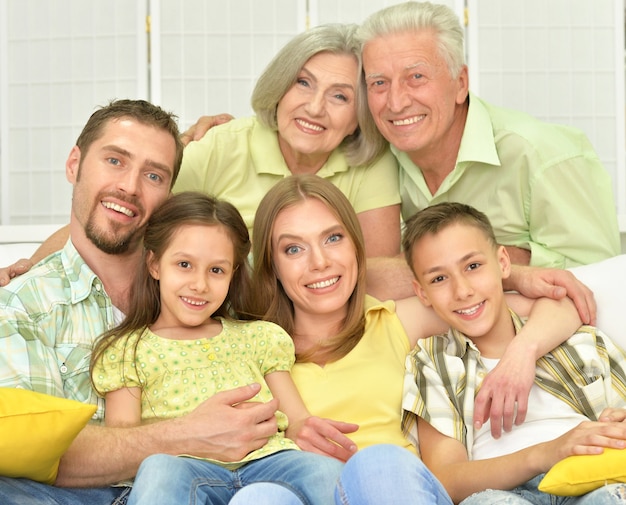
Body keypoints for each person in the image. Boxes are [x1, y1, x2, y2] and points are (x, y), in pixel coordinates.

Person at [226, 174, 584, 503]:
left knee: (377, 462)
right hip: (310, 491)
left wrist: (523, 349)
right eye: (293, 249)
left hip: (392, 488)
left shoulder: (393, 320)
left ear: (355, 246)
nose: (319, 262)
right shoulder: (246, 344)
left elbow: (563, 302)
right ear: (272, 265)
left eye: (333, 238)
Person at [0, 100, 281, 505]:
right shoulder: (21, 305)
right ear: (73, 164)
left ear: (169, 195)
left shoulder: (211, 287)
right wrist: (187, 433)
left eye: (153, 174)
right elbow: (34, 455)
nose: (130, 187)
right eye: (115, 160)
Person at [0, 22, 400, 277]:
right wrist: (32, 268)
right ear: (279, 87)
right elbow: (127, 213)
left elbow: (378, 273)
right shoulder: (222, 145)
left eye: (340, 96)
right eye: (303, 83)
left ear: (359, 116)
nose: (314, 108)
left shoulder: (371, 163)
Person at [90, 191, 342, 505]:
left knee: (325, 472)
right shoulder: (127, 350)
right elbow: (126, 443)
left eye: (216, 270)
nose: (200, 284)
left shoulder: (258, 337)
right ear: (154, 264)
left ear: (233, 274)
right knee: (157, 470)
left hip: (268, 461)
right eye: (184, 264)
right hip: (185, 468)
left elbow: (295, 419)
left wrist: (310, 429)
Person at [357, 1, 620, 271]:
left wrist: (498, 258)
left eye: (416, 77)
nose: (396, 102)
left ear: (460, 84)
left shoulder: (543, 155)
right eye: (379, 83)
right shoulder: (375, 160)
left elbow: (602, 278)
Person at [401, 201, 626, 504]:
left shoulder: (578, 341)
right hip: (499, 492)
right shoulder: (433, 363)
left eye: (473, 266)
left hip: (590, 478)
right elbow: (446, 478)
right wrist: (545, 453)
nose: (463, 290)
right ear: (421, 293)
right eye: (439, 279)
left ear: (503, 264)